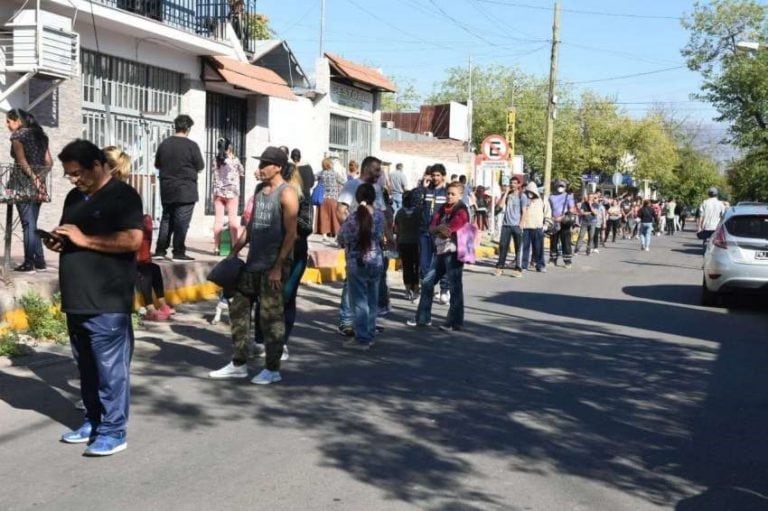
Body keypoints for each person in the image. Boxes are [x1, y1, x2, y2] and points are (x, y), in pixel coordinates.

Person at [47, 139, 143, 456]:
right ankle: (93, 421)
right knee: (86, 370)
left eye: (78, 173)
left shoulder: (123, 196)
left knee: (110, 372)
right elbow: (75, 237)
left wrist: (84, 239)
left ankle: (114, 431)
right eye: (69, 175)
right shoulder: (75, 197)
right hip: (76, 298)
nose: (74, 180)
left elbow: (132, 240)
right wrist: (62, 242)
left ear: (99, 165)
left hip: (107, 300)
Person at [209, 146, 297, 385]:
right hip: (252, 264)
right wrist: (233, 253)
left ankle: (272, 368)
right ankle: (238, 363)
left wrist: (279, 266)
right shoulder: (259, 191)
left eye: (265, 164)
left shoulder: (287, 193)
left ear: (278, 167)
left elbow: (291, 234)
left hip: (273, 267)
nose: (260, 168)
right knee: (238, 308)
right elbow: (249, 227)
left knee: (270, 318)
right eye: (260, 163)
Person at [406, 181, 470, 332]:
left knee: (455, 287)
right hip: (441, 251)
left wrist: (440, 229)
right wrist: (438, 229)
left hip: (454, 252)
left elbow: (449, 229)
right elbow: (432, 227)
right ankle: (423, 318)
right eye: (448, 193)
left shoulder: (461, 210)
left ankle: (454, 322)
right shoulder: (442, 208)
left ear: (460, 195)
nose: (449, 196)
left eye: (453, 194)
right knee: (428, 282)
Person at [335, 156, 385, 336]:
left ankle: (367, 324)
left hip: (373, 249)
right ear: (366, 169)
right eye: (376, 170)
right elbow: (340, 210)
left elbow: (383, 214)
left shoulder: (378, 188)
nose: (379, 173)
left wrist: (387, 237)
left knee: (371, 289)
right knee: (352, 285)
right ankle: (346, 321)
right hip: (356, 247)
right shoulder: (351, 186)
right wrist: (352, 235)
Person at [153, 114, 205, 261]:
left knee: (166, 219)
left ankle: (160, 251)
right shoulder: (192, 146)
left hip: (167, 188)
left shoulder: (164, 144)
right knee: (182, 221)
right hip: (186, 190)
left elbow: (157, 164)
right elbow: (200, 166)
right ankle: (178, 252)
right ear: (188, 128)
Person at [6, 109, 52, 273]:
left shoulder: (18, 136)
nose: (7, 125)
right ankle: (39, 262)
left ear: (18, 121)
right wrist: (40, 179)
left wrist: (33, 178)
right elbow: (49, 162)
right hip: (40, 185)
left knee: (27, 224)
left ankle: (28, 263)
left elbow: (21, 161)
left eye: (9, 121)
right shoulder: (41, 135)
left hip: (21, 183)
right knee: (32, 223)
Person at [414, 164, 449, 304]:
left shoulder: (447, 192)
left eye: (438, 175)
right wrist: (422, 187)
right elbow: (416, 204)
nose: (435, 178)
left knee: (443, 262)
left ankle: (445, 290)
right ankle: (426, 290)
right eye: (433, 175)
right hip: (425, 231)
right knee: (424, 263)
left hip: (440, 233)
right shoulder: (426, 190)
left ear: (443, 176)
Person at [136, 214, 175, 321]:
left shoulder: (140, 221)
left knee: (155, 268)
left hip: (139, 260)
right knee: (145, 271)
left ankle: (163, 305)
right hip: (127, 262)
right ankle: (150, 308)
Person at [211, 137, 244, 255]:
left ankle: (216, 247)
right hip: (232, 193)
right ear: (229, 147)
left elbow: (213, 171)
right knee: (233, 221)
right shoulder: (235, 160)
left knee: (218, 220)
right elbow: (242, 172)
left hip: (218, 193)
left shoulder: (215, 159)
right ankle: (235, 248)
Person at [494, 176, 527, 277]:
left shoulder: (522, 196)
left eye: (514, 183)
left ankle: (518, 269)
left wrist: (521, 223)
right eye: (511, 183)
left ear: (518, 185)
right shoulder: (506, 195)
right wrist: (505, 194)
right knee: (503, 246)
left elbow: (524, 211)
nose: (512, 185)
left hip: (516, 225)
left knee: (518, 247)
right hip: (506, 225)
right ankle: (500, 267)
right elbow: (499, 207)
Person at [394, 190, 421, 301]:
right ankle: (415, 288)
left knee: (406, 267)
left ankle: (407, 290)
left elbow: (396, 229)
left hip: (403, 243)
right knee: (416, 267)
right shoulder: (419, 212)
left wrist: (397, 243)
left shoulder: (399, 213)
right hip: (417, 243)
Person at [520, 182, 549, 272]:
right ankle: (524, 265)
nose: (530, 194)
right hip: (526, 227)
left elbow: (547, 212)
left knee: (539, 248)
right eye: (529, 191)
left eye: (532, 192)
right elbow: (520, 212)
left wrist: (546, 225)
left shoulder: (542, 200)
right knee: (525, 248)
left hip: (538, 227)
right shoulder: (524, 200)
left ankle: (540, 265)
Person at [315, 157, 346, 240]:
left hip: (323, 198)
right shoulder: (334, 173)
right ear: (330, 164)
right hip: (333, 197)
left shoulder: (321, 173)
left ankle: (324, 234)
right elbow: (343, 181)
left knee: (324, 216)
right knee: (334, 216)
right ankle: (336, 234)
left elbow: (313, 178)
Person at [549, 180, 576, 268]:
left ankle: (567, 261)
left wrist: (562, 217)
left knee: (566, 242)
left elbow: (572, 209)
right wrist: (551, 218)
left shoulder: (568, 196)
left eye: (562, 186)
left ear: (565, 187)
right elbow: (549, 209)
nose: (560, 187)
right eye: (559, 185)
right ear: (556, 186)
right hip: (554, 221)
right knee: (553, 241)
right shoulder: (551, 196)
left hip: (564, 221)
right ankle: (553, 259)